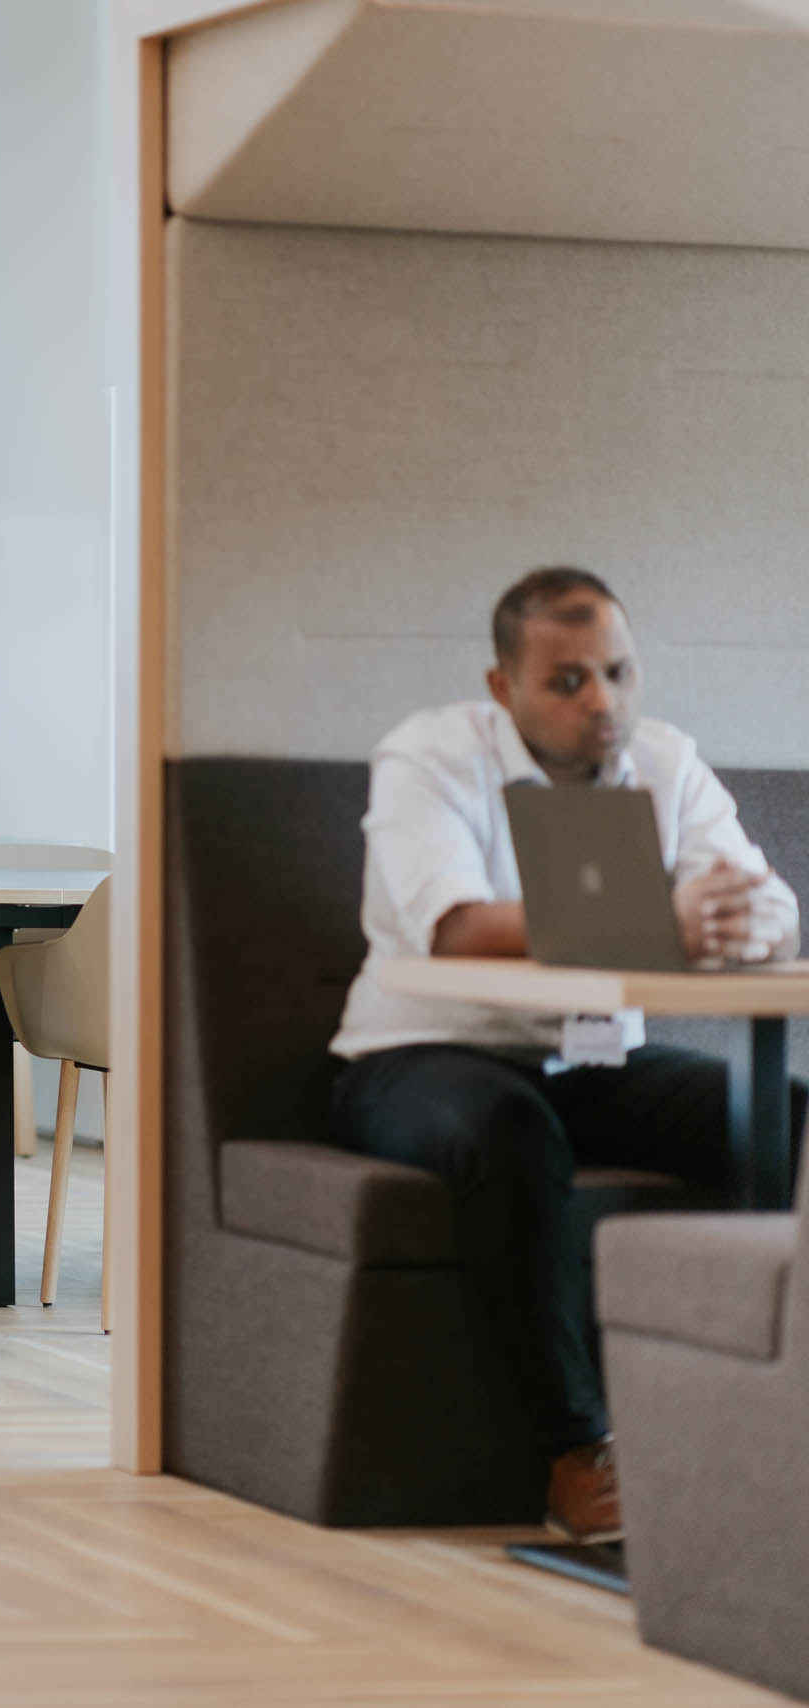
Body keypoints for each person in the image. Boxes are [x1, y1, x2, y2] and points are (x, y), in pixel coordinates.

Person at [329, 567, 808, 1546]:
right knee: (509, 1133)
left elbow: (767, 904)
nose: (602, 702)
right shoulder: (428, 756)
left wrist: (747, 917)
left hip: (589, 1061)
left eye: (617, 673)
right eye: (568, 680)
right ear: (502, 686)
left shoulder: (664, 761)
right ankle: (574, 1451)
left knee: (785, 1118)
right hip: (416, 1052)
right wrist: (662, 920)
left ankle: (775, 1420)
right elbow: (455, 928)